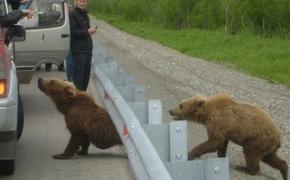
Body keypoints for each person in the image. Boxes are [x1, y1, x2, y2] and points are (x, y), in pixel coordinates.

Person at [69, 0, 96, 91]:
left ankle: (82, 99)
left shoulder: (85, 14)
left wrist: (90, 31)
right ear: (76, 1)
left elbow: (85, 32)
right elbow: (72, 33)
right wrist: (87, 31)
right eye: (81, 1)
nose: (82, 3)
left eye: (84, 2)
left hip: (87, 50)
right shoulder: (72, 14)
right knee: (79, 79)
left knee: (86, 78)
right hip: (78, 50)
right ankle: (76, 102)